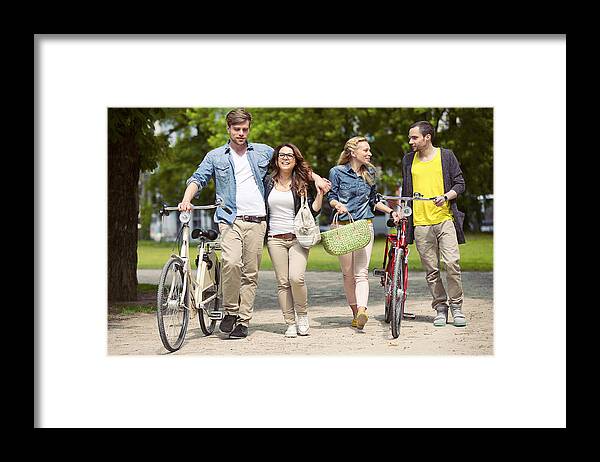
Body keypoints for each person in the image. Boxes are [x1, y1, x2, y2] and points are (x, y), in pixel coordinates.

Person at [178, 108, 331, 339]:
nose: (241, 133)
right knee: (230, 262)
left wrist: (317, 178)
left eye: (245, 129)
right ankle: (230, 310)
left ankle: (243, 320)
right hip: (230, 219)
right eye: (237, 129)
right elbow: (198, 179)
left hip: (259, 222)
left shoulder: (262, 152)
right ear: (228, 129)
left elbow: (290, 163)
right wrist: (186, 199)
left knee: (251, 274)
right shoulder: (215, 156)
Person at [327, 136, 400, 330]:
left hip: (364, 227)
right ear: (353, 152)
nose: (370, 153)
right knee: (347, 274)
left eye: (369, 150)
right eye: (365, 150)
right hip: (343, 228)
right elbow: (331, 197)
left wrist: (391, 211)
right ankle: (355, 314)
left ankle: (362, 310)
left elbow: (373, 200)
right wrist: (338, 204)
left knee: (362, 273)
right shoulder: (337, 172)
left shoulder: (371, 172)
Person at [402, 120, 467, 327]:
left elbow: (460, 183)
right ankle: (440, 307)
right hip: (420, 223)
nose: (410, 141)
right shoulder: (408, 160)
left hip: (444, 219)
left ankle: (456, 307)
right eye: (410, 137)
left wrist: (446, 196)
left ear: (427, 137)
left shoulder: (446, 156)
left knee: (452, 264)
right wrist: (402, 214)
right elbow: (406, 192)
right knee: (431, 270)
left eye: (414, 137)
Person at [264, 143, 324, 338]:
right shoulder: (267, 182)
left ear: (296, 159)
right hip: (275, 238)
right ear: (276, 158)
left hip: (298, 237)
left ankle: (303, 315)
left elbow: (313, 211)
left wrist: (321, 193)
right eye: (282, 155)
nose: (286, 158)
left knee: (296, 278)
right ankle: (289, 322)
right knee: (282, 282)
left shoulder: (302, 182)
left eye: (290, 155)